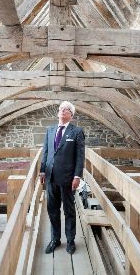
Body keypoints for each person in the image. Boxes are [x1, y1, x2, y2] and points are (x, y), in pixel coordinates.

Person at [39, 101, 85, 255]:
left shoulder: (77, 131)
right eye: (61, 109)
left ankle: (70, 241)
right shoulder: (50, 130)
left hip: (68, 178)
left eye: (67, 110)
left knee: (69, 211)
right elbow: (45, 152)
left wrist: (77, 176)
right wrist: (42, 171)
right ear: (58, 112)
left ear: (71, 115)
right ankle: (55, 239)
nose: (63, 111)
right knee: (52, 210)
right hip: (51, 177)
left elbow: (80, 157)